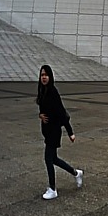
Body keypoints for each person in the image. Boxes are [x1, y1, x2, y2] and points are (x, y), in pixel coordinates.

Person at [36, 64, 82, 199]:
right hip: (47, 130)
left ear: (50, 77)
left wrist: (70, 132)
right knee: (54, 159)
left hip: (54, 131)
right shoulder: (42, 90)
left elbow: (62, 113)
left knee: (48, 159)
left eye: (46, 75)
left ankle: (52, 189)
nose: (44, 77)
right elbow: (43, 108)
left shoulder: (53, 92)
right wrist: (40, 115)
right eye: (42, 75)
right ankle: (76, 173)